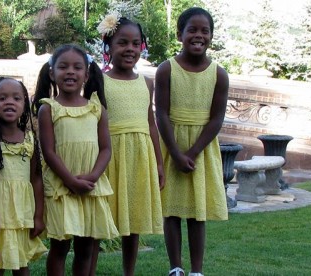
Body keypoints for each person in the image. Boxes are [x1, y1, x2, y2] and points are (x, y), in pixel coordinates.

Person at [31, 44, 119, 276]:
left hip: (91, 186)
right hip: (62, 187)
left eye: (77, 67)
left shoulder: (96, 109)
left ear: (86, 75)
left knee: (86, 248)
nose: (70, 72)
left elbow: (106, 149)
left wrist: (92, 177)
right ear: (52, 74)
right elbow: (48, 152)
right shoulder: (48, 109)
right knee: (60, 247)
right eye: (63, 67)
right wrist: (71, 181)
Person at [154, 7, 229, 276]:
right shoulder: (166, 70)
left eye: (204, 31)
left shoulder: (219, 74)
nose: (199, 35)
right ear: (180, 34)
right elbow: (160, 113)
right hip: (172, 144)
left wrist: (194, 152)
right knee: (171, 210)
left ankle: (197, 270)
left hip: (202, 148)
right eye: (192, 30)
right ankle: (176, 267)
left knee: (198, 212)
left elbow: (216, 118)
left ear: (211, 36)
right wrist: (175, 153)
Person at [96, 13, 165, 276]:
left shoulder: (147, 82)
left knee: (133, 219)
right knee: (101, 216)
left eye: (136, 44)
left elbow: (151, 124)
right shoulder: (99, 81)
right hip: (110, 155)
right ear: (109, 47)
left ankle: (129, 272)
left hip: (139, 156)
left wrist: (158, 162)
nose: (130, 49)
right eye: (122, 43)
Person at [0, 77, 47, 275]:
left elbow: (36, 179)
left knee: (21, 264)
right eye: (2, 98)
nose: (9, 102)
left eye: (16, 98)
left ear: (24, 105)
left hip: (21, 213)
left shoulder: (29, 138)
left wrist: (38, 216)